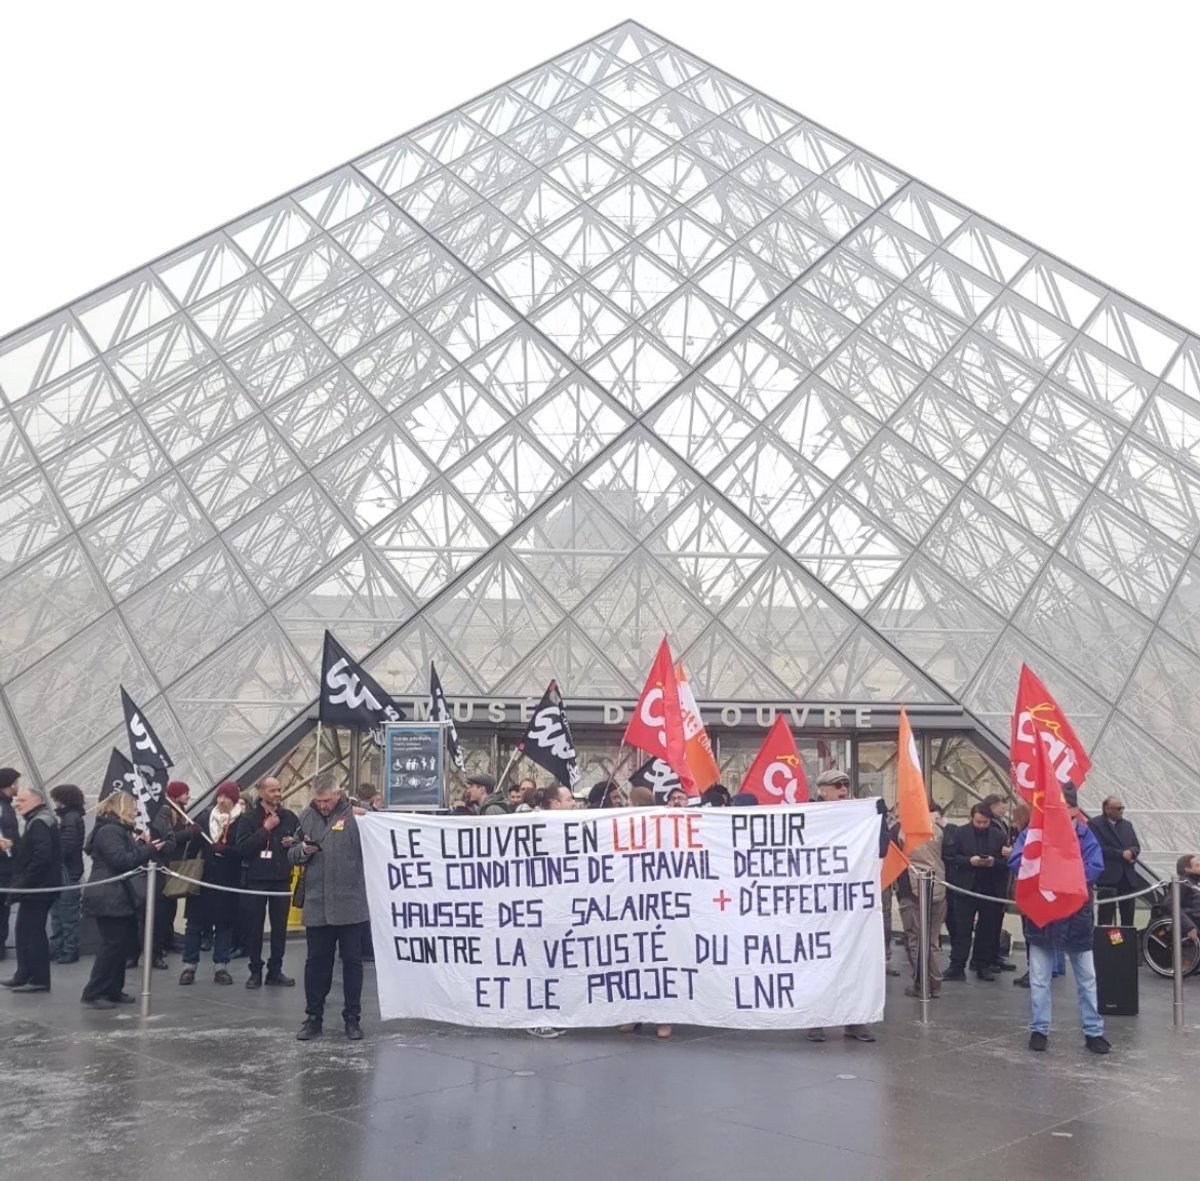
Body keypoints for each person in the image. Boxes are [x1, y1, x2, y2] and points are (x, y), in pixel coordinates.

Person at [1008, 787, 1109, 1054]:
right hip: (1044, 914)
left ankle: (1093, 1031)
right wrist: (1049, 875)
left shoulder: (1085, 835)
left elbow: (1095, 866)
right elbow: (1018, 860)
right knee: (1040, 977)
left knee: (1087, 977)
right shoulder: (1033, 832)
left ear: (1074, 810)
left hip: (1075, 914)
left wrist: (1061, 877)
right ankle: (1039, 1029)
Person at [289, 773, 370, 1041]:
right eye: (318, 800)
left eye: (326, 800)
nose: (322, 805)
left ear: (338, 794)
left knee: (352, 963)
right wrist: (303, 850)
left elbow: (377, 843)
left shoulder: (358, 816)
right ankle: (313, 1016)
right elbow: (291, 854)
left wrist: (369, 815)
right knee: (316, 963)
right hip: (317, 902)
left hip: (351, 903)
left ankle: (352, 1017)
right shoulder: (306, 817)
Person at [807, 768, 883, 1043]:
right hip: (816, 902)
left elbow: (881, 849)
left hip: (850, 903)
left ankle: (855, 1021)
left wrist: (878, 821)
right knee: (816, 963)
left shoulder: (858, 816)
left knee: (854, 960)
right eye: (836, 785)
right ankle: (815, 1019)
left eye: (845, 785)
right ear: (821, 790)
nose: (842, 790)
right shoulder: (806, 815)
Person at [80, 792, 163, 1010]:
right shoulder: (109, 831)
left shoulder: (114, 830)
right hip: (109, 893)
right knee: (112, 944)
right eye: (133, 807)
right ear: (122, 807)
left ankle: (113, 989)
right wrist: (148, 849)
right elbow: (121, 860)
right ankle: (94, 991)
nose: (135, 812)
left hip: (117, 894)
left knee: (121, 944)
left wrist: (143, 847)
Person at [232, 777, 298, 989]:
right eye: (272, 791)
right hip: (257, 880)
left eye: (279, 790)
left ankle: (275, 970)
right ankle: (255, 970)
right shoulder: (249, 819)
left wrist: (294, 842)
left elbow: (301, 839)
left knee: (279, 928)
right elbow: (242, 848)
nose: (277, 794)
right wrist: (265, 829)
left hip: (281, 880)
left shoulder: (289, 817)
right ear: (261, 793)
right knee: (255, 927)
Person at [0, 784, 63, 993]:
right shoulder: (39, 820)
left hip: (38, 889)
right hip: (37, 887)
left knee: (33, 932)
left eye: (22, 800)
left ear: (37, 801)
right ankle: (24, 973)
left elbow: (41, 857)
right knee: (24, 930)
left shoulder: (39, 823)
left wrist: (23, 883)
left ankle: (39, 978)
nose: (17, 804)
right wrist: (14, 846)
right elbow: (35, 851)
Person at [180, 781, 243, 986]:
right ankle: (189, 966)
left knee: (224, 924)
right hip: (203, 877)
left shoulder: (241, 821)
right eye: (219, 796)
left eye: (226, 797)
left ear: (234, 799)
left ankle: (221, 966)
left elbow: (244, 849)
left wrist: (226, 850)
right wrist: (193, 835)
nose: (221, 800)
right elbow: (192, 848)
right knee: (194, 923)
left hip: (227, 879)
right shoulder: (205, 817)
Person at [943, 805, 1009, 981]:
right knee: (962, 929)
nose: (981, 825)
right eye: (978, 822)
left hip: (990, 888)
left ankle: (982, 965)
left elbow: (1006, 863)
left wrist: (993, 862)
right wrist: (969, 861)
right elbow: (950, 857)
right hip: (966, 887)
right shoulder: (960, 833)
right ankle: (957, 966)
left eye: (985, 822)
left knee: (987, 929)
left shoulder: (999, 836)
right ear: (972, 818)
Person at [896, 803, 947, 998]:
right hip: (938, 887)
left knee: (915, 939)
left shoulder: (901, 831)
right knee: (932, 939)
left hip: (912, 890)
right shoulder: (938, 830)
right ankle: (934, 982)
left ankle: (923, 983)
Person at [1088, 797, 1141, 927]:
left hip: (1127, 877)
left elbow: (1136, 845)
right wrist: (1121, 854)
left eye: (1122, 808)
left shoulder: (1127, 825)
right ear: (1107, 809)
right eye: (1118, 808)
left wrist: (1132, 852)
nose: (1121, 811)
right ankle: (1107, 944)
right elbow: (1099, 847)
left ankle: (1126, 944)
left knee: (1128, 916)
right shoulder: (1095, 824)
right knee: (1106, 916)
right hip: (1108, 878)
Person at [48, 784, 86, 965]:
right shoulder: (74, 817)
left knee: (65, 915)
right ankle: (62, 949)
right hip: (70, 873)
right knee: (63, 914)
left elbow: (67, 847)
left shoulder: (69, 819)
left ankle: (67, 950)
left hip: (66, 874)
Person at [0, 768, 20, 961]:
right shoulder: (3, 807)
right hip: (4, 865)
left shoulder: (7, 806)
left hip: (8, 866)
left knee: (3, 909)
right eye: (16, 783)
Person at [1176, 855, 1200, 941]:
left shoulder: (1194, 883)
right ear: (1187, 869)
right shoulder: (1182, 883)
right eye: (1197, 865)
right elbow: (1171, 904)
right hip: (1193, 921)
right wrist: (1189, 926)